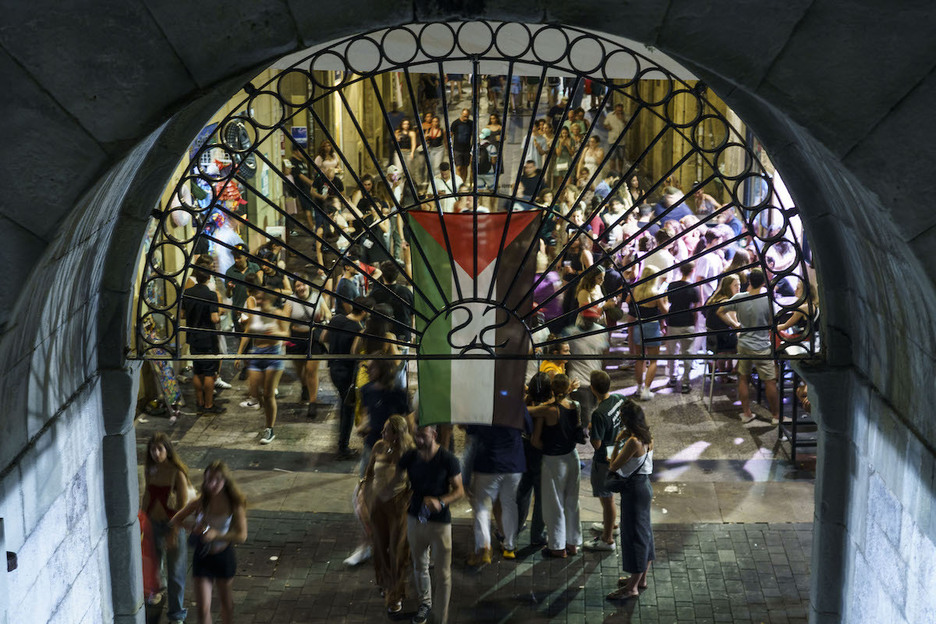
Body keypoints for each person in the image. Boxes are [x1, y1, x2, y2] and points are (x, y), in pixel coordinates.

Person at [397, 425, 465, 624]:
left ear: (434, 435)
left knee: (443, 574)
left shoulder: (447, 459)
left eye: (422, 435)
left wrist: (441, 502)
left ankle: (441, 617)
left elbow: (459, 490)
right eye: (415, 434)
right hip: (415, 519)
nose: (418, 439)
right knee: (419, 565)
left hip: (440, 524)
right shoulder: (410, 456)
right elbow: (395, 479)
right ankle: (425, 604)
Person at [170, 461, 248, 624]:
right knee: (202, 609)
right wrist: (192, 527)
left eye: (216, 480)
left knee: (227, 604)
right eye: (208, 480)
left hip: (223, 557)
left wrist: (217, 535)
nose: (211, 484)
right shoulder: (201, 501)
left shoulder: (234, 503)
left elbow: (241, 536)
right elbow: (176, 519)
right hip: (202, 557)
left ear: (225, 480)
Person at [361, 414, 415, 615]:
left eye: (386, 430)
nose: (382, 433)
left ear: (397, 434)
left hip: (398, 506)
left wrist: (407, 499)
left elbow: (414, 481)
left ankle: (396, 593)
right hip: (377, 505)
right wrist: (366, 497)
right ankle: (386, 584)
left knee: (397, 550)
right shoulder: (378, 447)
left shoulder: (408, 452)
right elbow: (369, 474)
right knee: (379, 547)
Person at [464, 408, 530, 564]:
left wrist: (465, 476)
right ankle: (509, 547)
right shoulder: (515, 402)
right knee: (509, 504)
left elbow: (472, 434)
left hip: (488, 463)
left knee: (481, 505)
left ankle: (484, 547)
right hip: (513, 462)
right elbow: (528, 427)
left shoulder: (482, 405)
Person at [529, 374, 583, 559]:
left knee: (554, 504)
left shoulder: (548, 410)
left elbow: (534, 439)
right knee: (572, 502)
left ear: (551, 389)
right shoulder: (575, 405)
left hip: (554, 461)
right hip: (572, 457)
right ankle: (573, 543)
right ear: (568, 389)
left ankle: (557, 547)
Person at [717, 268, 780, 425]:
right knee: (770, 381)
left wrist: (735, 325)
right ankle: (776, 416)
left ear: (749, 281)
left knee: (743, 378)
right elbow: (772, 322)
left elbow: (720, 311)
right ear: (763, 282)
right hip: (762, 346)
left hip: (744, 344)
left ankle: (746, 413)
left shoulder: (740, 298)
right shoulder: (767, 300)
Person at [606, 400, 655, 601]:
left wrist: (618, 442)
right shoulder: (648, 437)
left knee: (634, 536)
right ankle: (640, 579)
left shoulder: (633, 442)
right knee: (644, 533)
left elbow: (613, 465)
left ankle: (631, 588)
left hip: (634, 491)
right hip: (644, 486)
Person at [141, 433, 191, 624]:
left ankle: (176, 614)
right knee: (153, 564)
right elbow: (147, 494)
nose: (156, 453)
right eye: (152, 449)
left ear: (167, 450)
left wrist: (174, 532)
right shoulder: (150, 470)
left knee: (175, 572)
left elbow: (183, 507)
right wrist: (142, 520)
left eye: (160, 449)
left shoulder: (177, 473)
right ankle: (156, 592)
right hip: (153, 524)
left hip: (171, 524)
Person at [234, 284, 289, 444]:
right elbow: (247, 333)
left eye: (261, 298)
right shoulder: (255, 314)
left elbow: (287, 333)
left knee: (268, 394)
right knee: (254, 392)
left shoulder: (278, 314)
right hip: (257, 354)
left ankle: (269, 429)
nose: (258, 301)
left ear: (269, 299)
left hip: (273, 355)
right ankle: (266, 411)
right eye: (257, 298)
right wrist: (239, 353)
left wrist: (277, 333)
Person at [323, 296, 370, 459]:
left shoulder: (336, 319)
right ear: (364, 311)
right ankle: (343, 447)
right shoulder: (358, 328)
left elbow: (323, 338)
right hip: (346, 372)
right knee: (348, 408)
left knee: (344, 404)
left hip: (333, 368)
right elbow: (354, 352)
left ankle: (342, 443)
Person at [584, 370, 625, 552]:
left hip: (603, 460)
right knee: (608, 497)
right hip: (616, 452)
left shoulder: (598, 414)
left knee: (607, 498)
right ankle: (610, 524)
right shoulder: (619, 399)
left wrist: (591, 430)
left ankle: (607, 539)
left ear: (592, 388)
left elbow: (597, 444)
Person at [182, 261, 225, 414]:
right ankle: (209, 404)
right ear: (208, 277)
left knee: (197, 370)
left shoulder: (187, 293)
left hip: (193, 336)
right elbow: (214, 318)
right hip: (207, 338)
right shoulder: (211, 295)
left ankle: (199, 402)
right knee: (209, 372)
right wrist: (220, 313)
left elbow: (182, 315)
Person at [287, 275, 331, 418]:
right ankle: (304, 386)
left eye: (303, 284)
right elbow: (285, 319)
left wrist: (325, 316)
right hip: (296, 338)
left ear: (309, 285)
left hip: (313, 338)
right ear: (295, 288)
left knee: (311, 370)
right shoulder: (291, 300)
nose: (301, 288)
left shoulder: (317, 297)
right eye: (298, 286)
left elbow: (327, 313)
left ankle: (313, 402)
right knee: (300, 370)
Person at [630, 266, 670, 401]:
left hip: (638, 325)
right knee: (653, 360)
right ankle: (646, 390)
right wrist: (665, 299)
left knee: (639, 359)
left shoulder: (636, 290)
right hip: (652, 326)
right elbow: (665, 311)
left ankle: (638, 387)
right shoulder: (655, 293)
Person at [665, 261, 701, 393]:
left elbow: (669, 301)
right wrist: (695, 323)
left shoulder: (672, 286)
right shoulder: (694, 288)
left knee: (672, 352)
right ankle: (686, 382)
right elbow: (696, 308)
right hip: (688, 322)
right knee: (688, 353)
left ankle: (672, 377)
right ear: (692, 271)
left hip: (673, 321)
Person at [450, 109, 473, 182]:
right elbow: (450, 134)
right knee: (458, 167)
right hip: (457, 149)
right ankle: (458, 183)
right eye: (464, 116)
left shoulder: (471, 123)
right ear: (461, 114)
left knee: (465, 167)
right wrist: (448, 145)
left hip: (467, 149)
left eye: (467, 116)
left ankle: (463, 182)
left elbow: (473, 135)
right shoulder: (456, 123)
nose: (466, 118)